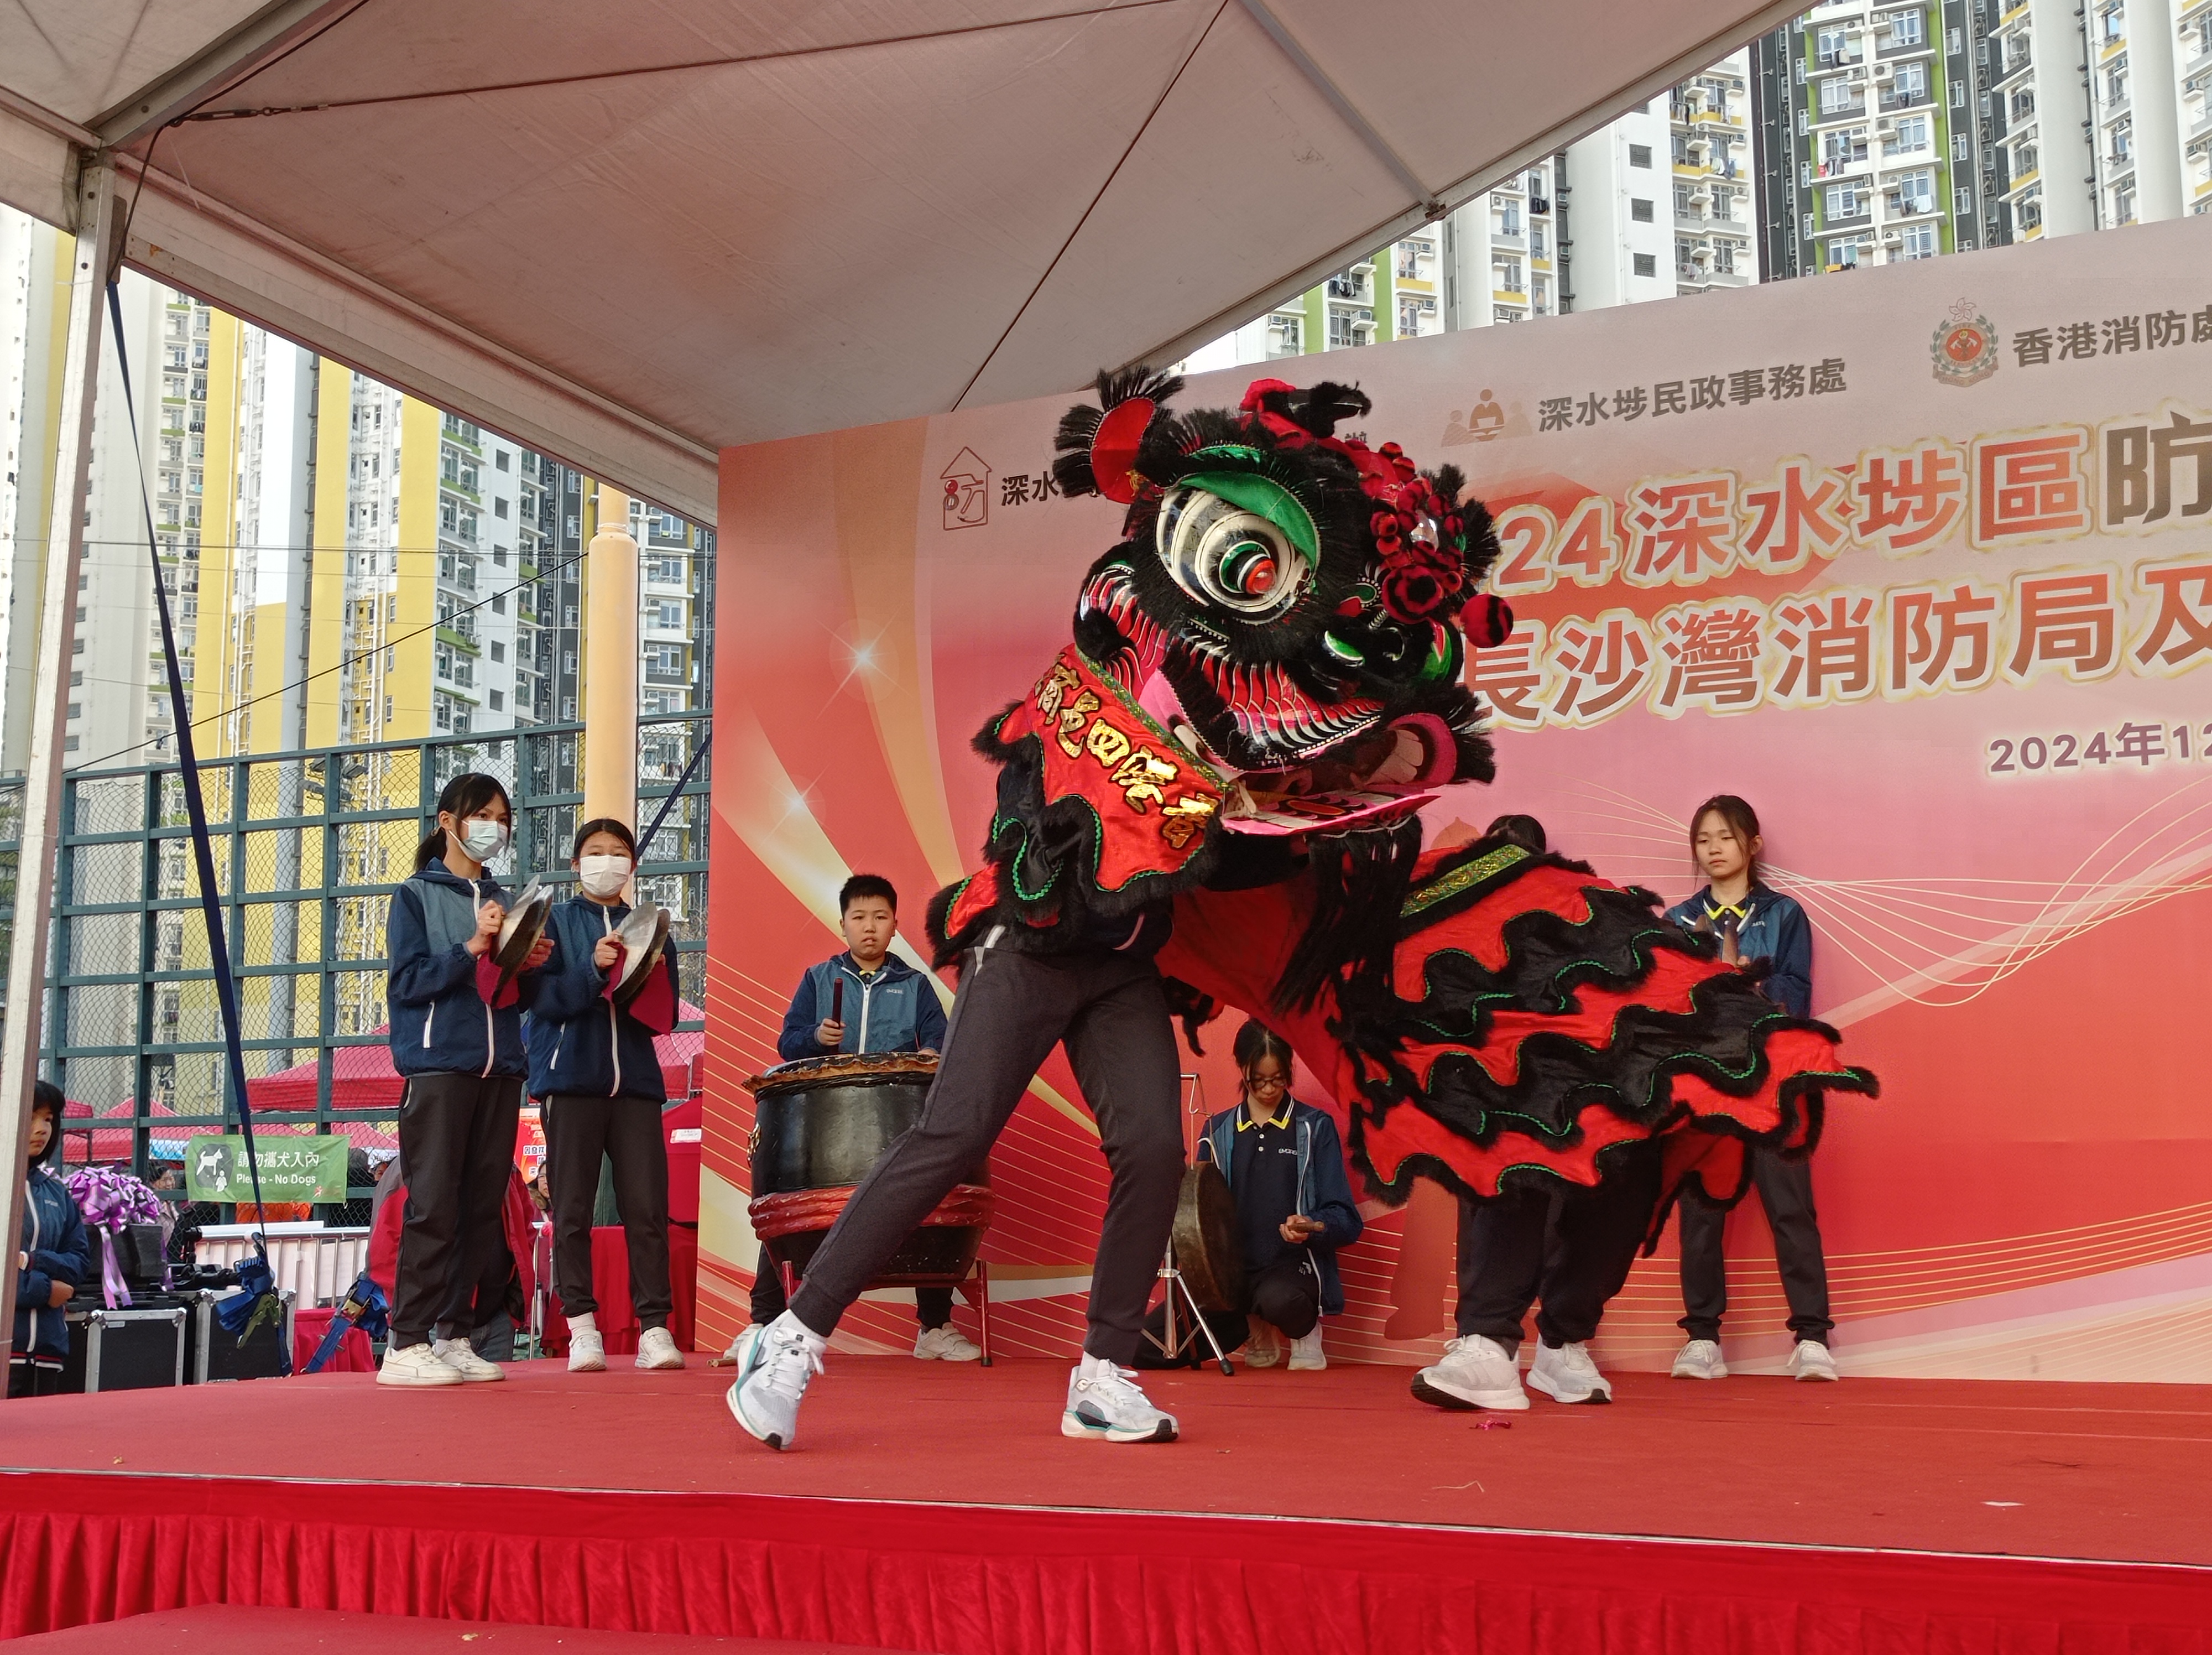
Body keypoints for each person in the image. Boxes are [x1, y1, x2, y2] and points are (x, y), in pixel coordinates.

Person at [1411, 814, 1662, 1412]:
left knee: (1636, 1154)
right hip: (1505, 1097)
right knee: (1504, 1136)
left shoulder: (1584, 912)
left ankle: (1563, 1340)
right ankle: (1487, 1342)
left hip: (1592, 1088)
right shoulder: (1448, 927)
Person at [379, 772, 552, 1388]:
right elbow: (406, 983)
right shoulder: (415, 896)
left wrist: (531, 964)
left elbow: (519, 996)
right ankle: (404, 1342)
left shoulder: (506, 898)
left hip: (501, 1070)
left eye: (502, 819)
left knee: (481, 1210)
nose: (493, 828)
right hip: (439, 1069)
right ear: (448, 822)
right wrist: (471, 946)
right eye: (482, 815)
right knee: (434, 1206)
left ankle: (453, 1336)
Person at [758, 874, 976, 1362]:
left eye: (880, 917)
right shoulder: (818, 979)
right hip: (827, 1123)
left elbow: (939, 1042)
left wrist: (930, 1052)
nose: (870, 927)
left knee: (929, 1207)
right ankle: (762, 1323)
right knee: (793, 1207)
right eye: (859, 917)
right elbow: (788, 1044)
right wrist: (816, 1038)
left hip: (893, 1119)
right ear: (843, 925)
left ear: (895, 925)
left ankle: (935, 1326)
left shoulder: (914, 985)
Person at [1664, 794, 1838, 1383]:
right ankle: (1701, 1339)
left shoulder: (1783, 914)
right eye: (1703, 839)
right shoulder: (1678, 920)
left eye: (1725, 837)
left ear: (1752, 845)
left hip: (1774, 1084)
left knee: (1791, 1208)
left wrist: (1743, 981)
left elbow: (1797, 994)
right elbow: (1666, 1006)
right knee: (1700, 1213)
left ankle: (1811, 1337)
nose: (1713, 849)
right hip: (1704, 1088)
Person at [527, 818, 686, 1374]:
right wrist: (593, 970)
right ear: (576, 864)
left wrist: (645, 971)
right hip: (569, 1080)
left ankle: (655, 1329)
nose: (607, 862)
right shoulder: (554, 922)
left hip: (636, 1085)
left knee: (647, 1209)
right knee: (572, 1209)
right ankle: (582, 1328)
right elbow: (542, 1001)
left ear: (632, 866)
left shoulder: (651, 928)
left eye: (618, 853)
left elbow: (665, 1015)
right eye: (595, 852)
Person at [1193, 1021, 1362, 1371]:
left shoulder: (1314, 1126)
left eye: (1279, 1079)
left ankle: (1303, 1330)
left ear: (1289, 1069)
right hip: (1231, 1276)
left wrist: (1311, 1225)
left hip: (1289, 1270)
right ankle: (1250, 1325)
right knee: (1149, 1345)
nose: (1269, 1089)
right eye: (1259, 1080)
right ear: (1242, 1068)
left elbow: (1346, 1219)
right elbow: (1198, 1220)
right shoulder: (1215, 1131)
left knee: (1280, 1301)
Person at [13, 1082, 91, 1398]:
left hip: (47, 1353)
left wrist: (31, 1261)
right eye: (32, 1116)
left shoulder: (57, 1193)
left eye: (48, 1119)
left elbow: (79, 1264)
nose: (41, 1129)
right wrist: (47, 1291)